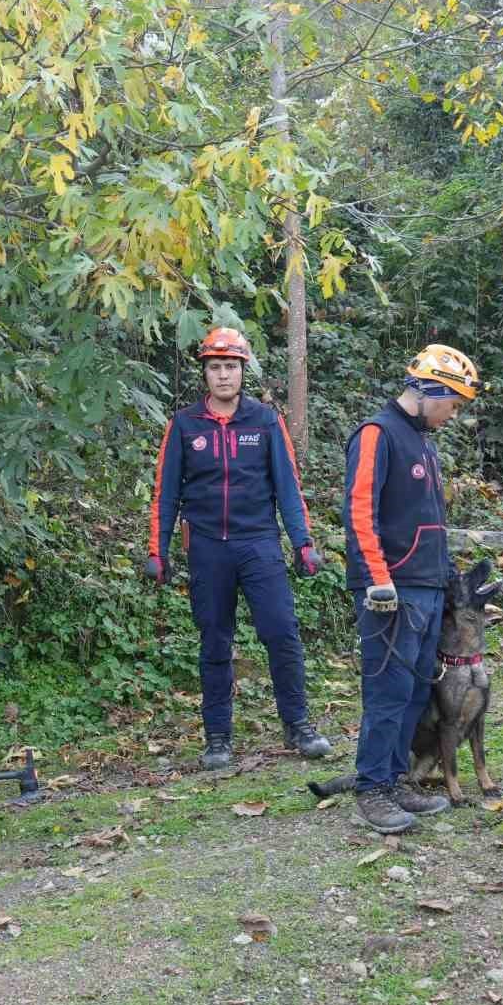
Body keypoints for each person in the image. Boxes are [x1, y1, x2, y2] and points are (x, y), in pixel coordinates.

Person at [146, 326, 331, 770]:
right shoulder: (184, 424)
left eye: (231, 366)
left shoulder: (265, 420)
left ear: (242, 370)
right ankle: (217, 737)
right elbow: (165, 494)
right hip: (208, 548)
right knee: (214, 641)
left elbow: (288, 486)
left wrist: (302, 542)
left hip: (259, 544)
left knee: (282, 633)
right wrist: (159, 550)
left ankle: (298, 725)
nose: (223, 375)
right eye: (215, 367)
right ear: (205, 374)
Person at [343, 344, 482, 834]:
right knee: (388, 689)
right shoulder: (377, 435)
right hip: (392, 590)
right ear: (431, 390)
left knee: (416, 689)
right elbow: (360, 513)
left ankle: (397, 777)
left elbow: (430, 521)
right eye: (454, 402)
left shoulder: (424, 441)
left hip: (426, 588)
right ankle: (372, 788)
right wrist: (378, 578)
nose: (453, 413)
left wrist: (448, 581)